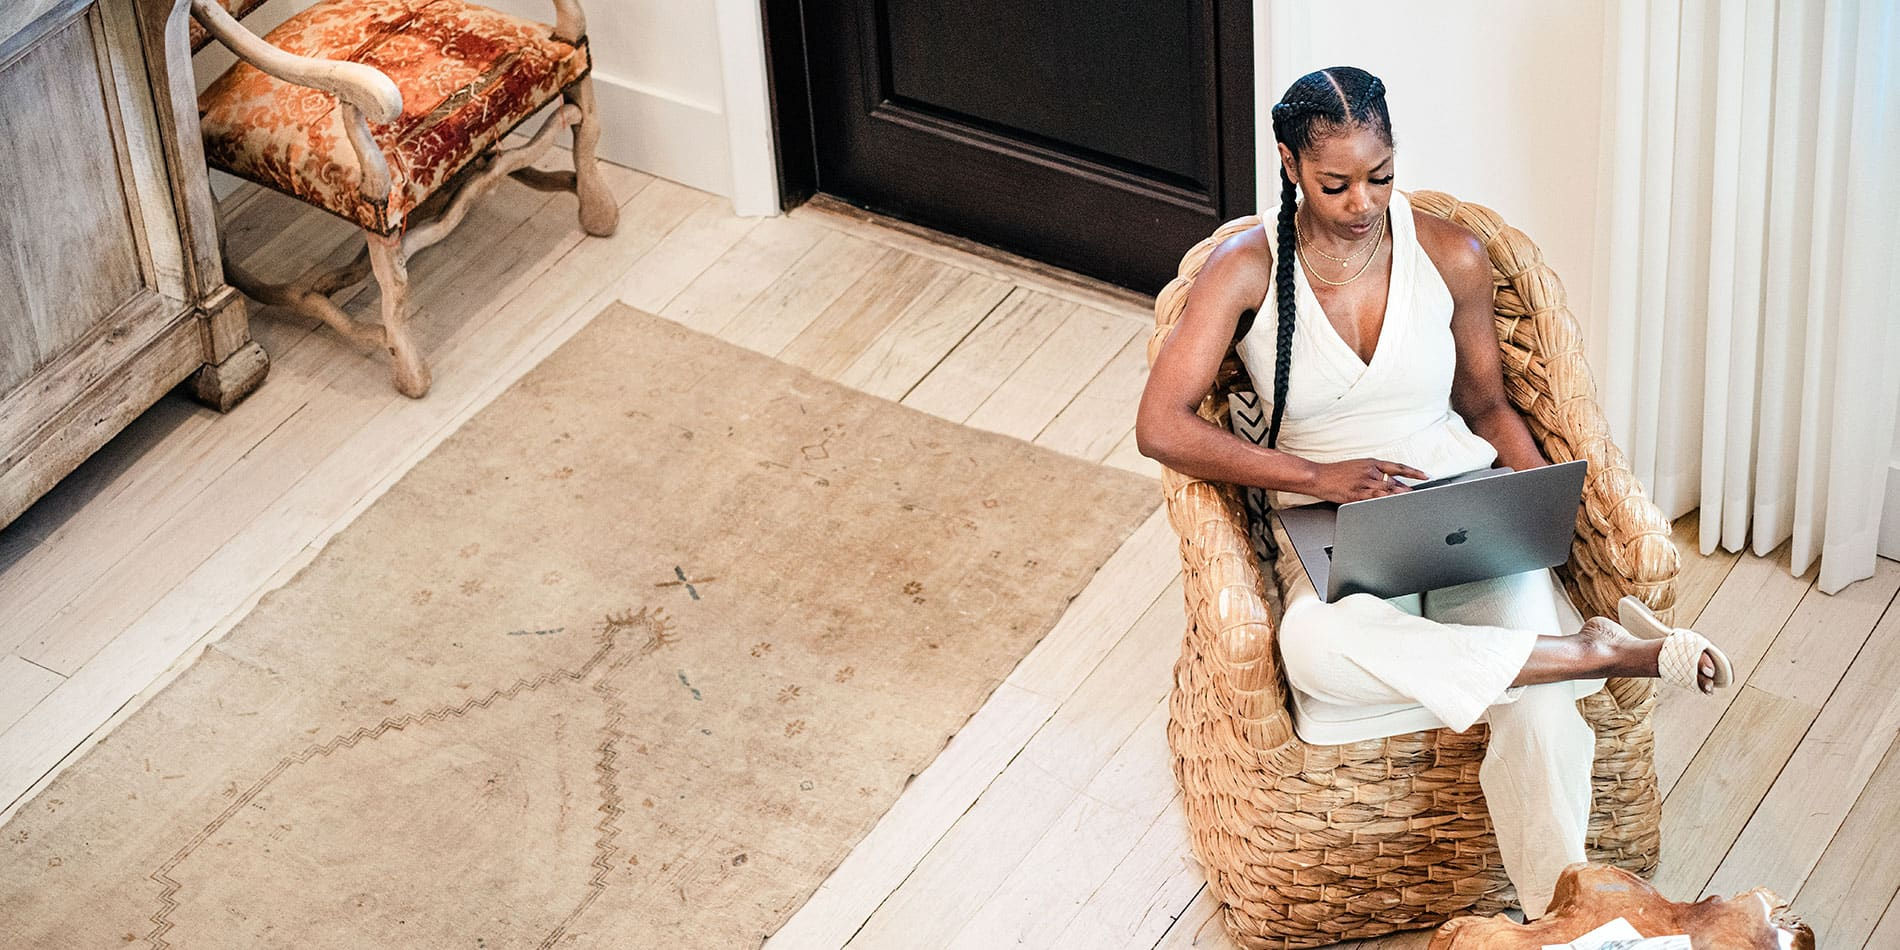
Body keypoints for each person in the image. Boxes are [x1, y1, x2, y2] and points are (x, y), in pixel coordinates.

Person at [1133, 65, 1733, 920]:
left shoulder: (1452, 254)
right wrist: (1316, 478)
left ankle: (1563, 922)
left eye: (1381, 176)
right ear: (1290, 164)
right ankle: (1588, 651)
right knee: (1311, 652)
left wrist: (1547, 508)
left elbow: (1487, 407)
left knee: (1539, 713)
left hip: (1463, 507)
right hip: (1329, 519)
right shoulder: (1248, 265)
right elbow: (1162, 424)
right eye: (1336, 183)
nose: (1363, 203)